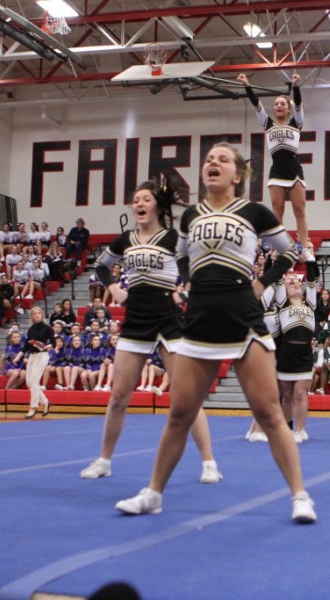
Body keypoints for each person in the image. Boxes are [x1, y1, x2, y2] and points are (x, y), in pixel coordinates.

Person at [115, 143, 316, 523]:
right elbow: (181, 255)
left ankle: (300, 495)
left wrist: (262, 284)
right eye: (209, 159)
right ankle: (154, 492)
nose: (213, 163)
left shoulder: (254, 211)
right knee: (179, 414)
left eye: (222, 159)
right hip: (199, 320)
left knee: (270, 413)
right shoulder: (191, 215)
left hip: (243, 316)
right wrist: (189, 284)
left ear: (237, 175)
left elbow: (290, 252)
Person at [80, 180, 222, 485]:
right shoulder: (125, 239)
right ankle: (104, 460)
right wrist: (114, 288)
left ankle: (209, 462)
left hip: (169, 320)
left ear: (157, 205)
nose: (139, 204)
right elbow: (102, 267)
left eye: (145, 199)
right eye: (135, 200)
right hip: (135, 319)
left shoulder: (172, 238)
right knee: (118, 396)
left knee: (186, 396)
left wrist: (183, 293)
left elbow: (195, 267)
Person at [249, 243, 318, 443]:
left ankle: (301, 430)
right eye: (291, 283)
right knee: (286, 394)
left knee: (300, 393)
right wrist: (278, 258)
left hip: (304, 352)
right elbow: (276, 279)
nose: (295, 284)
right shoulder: (282, 304)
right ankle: (286, 431)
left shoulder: (310, 304)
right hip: (286, 351)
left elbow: (312, 280)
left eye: (297, 282)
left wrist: (310, 258)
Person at [237, 73, 309, 246]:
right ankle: (279, 245)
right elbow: (257, 105)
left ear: (288, 108)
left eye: (282, 104)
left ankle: (305, 244)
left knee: (299, 209)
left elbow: (298, 104)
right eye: (276, 104)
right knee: (278, 210)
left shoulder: (296, 122)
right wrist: (247, 85)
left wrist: (296, 86)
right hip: (277, 171)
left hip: (294, 169)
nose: (278, 106)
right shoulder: (268, 123)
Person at [22, 306, 54, 418]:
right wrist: (20, 355)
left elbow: (53, 341)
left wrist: (49, 345)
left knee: (34, 382)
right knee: (29, 383)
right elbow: (27, 344)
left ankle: (33, 407)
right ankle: (45, 402)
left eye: (39, 313)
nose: (37, 315)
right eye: (34, 314)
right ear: (32, 316)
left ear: (42, 314)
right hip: (32, 355)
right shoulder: (31, 329)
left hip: (42, 355)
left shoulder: (47, 328)